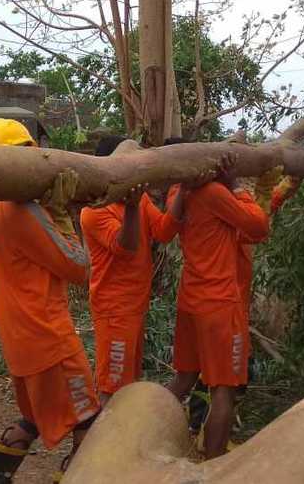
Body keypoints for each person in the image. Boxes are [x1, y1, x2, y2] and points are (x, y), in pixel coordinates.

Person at [0, 119, 100, 483]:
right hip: (49, 338)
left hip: (19, 340)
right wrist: (62, 216)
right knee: (88, 422)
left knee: (31, 419)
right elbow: (79, 269)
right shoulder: (24, 211)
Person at [166, 152, 270, 459]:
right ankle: (213, 468)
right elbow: (259, 226)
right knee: (223, 391)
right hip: (220, 305)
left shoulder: (178, 193)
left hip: (190, 300)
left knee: (183, 380)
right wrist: (236, 185)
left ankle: (141, 430)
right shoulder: (214, 193)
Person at [80, 135, 187, 405]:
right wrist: (130, 206)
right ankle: (102, 445)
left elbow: (163, 232)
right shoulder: (94, 211)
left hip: (135, 306)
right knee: (111, 389)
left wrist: (184, 189)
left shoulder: (138, 201)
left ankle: (119, 441)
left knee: (127, 384)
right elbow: (126, 247)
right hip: (114, 310)